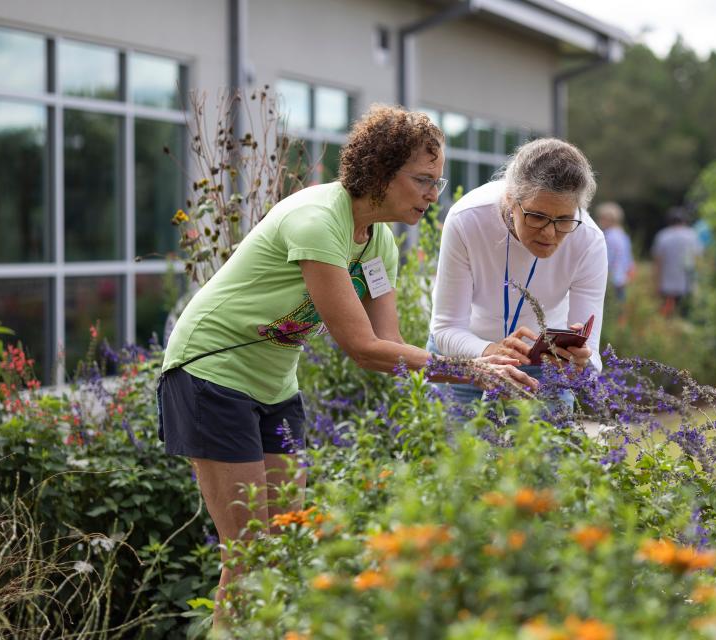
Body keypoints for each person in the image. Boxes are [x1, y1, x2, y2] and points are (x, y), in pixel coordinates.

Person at [157, 105, 536, 617]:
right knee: (248, 556)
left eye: (438, 183)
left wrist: (481, 357)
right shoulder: (318, 222)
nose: (432, 195)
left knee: (284, 550)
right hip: (208, 374)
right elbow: (361, 347)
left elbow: (390, 347)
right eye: (423, 180)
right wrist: (472, 371)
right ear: (380, 173)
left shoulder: (378, 242)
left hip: (274, 388)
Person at [428, 138, 608, 404]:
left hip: (542, 365)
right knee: (452, 446)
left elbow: (590, 354)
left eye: (564, 220)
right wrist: (492, 352)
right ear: (511, 201)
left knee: (546, 447)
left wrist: (582, 362)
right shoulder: (468, 219)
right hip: (466, 353)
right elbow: (446, 329)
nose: (549, 232)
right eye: (536, 216)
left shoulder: (588, 239)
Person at [651, 206, 702, 317]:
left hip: (666, 284)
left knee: (667, 315)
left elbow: (658, 262)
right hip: (687, 283)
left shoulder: (662, 236)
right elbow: (698, 259)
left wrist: (656, 283)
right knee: (685, 315)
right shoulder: (692, 235)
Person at [595, 201, 635, 301]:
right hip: (622, 278)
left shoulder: (608, 236)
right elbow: (629, 258)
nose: (599, 221)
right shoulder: (622, 234)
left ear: (610, 219)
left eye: (602, 218)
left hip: (611, 280)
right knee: (619, 309)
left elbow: (606, 260)